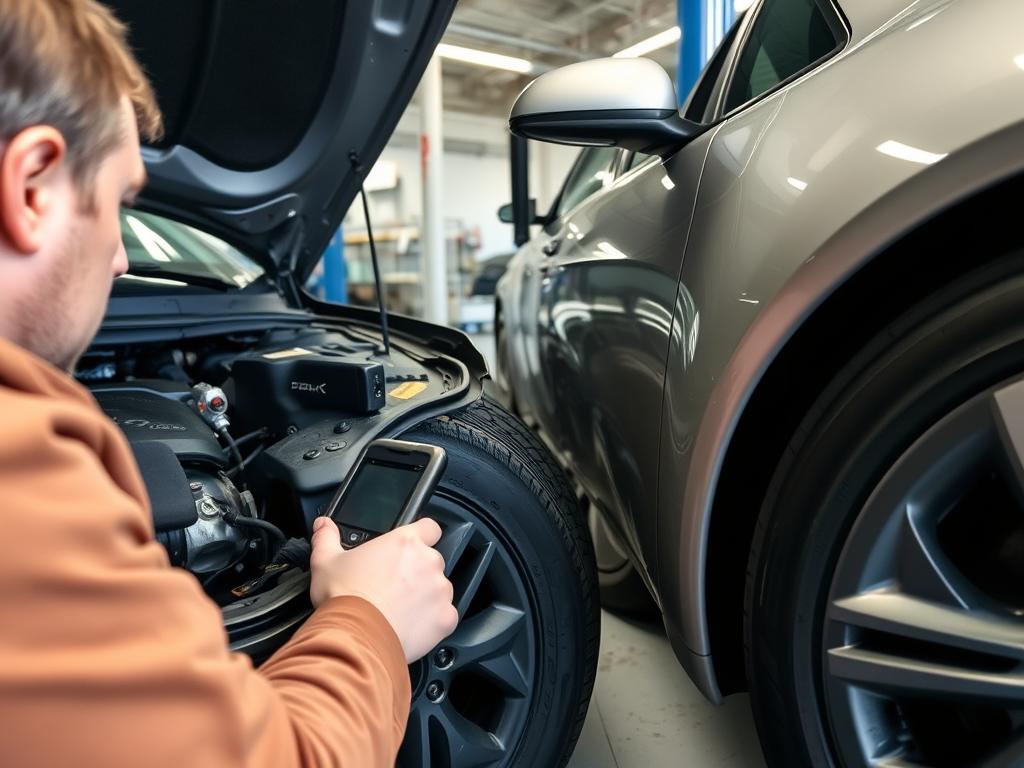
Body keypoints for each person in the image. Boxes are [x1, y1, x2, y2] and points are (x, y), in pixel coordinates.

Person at [0, 1, 459, 766]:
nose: (121, 258)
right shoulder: (22, 483)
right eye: (118, 203)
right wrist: (368, 618)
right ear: (33, 187)